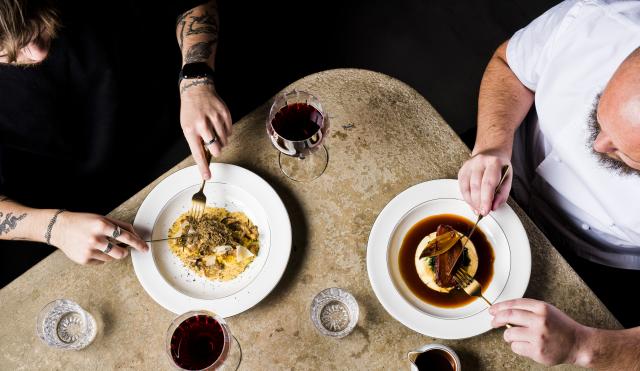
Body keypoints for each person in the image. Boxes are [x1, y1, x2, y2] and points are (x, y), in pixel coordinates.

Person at [457, 0, 640, 368]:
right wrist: (492, 144)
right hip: (500, 157)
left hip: (592, 267)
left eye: (625, 153)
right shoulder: (598, 20)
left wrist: (581, 345)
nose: (597, 145)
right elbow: (510, 64)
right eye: (601, 110)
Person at [0, 0, 230, 271]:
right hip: (80, 218)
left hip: (176, 136)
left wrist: (196, 80)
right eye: (9, 55)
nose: (38, 53)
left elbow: (193, 3)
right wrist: (54, 228)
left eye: (39, 27)